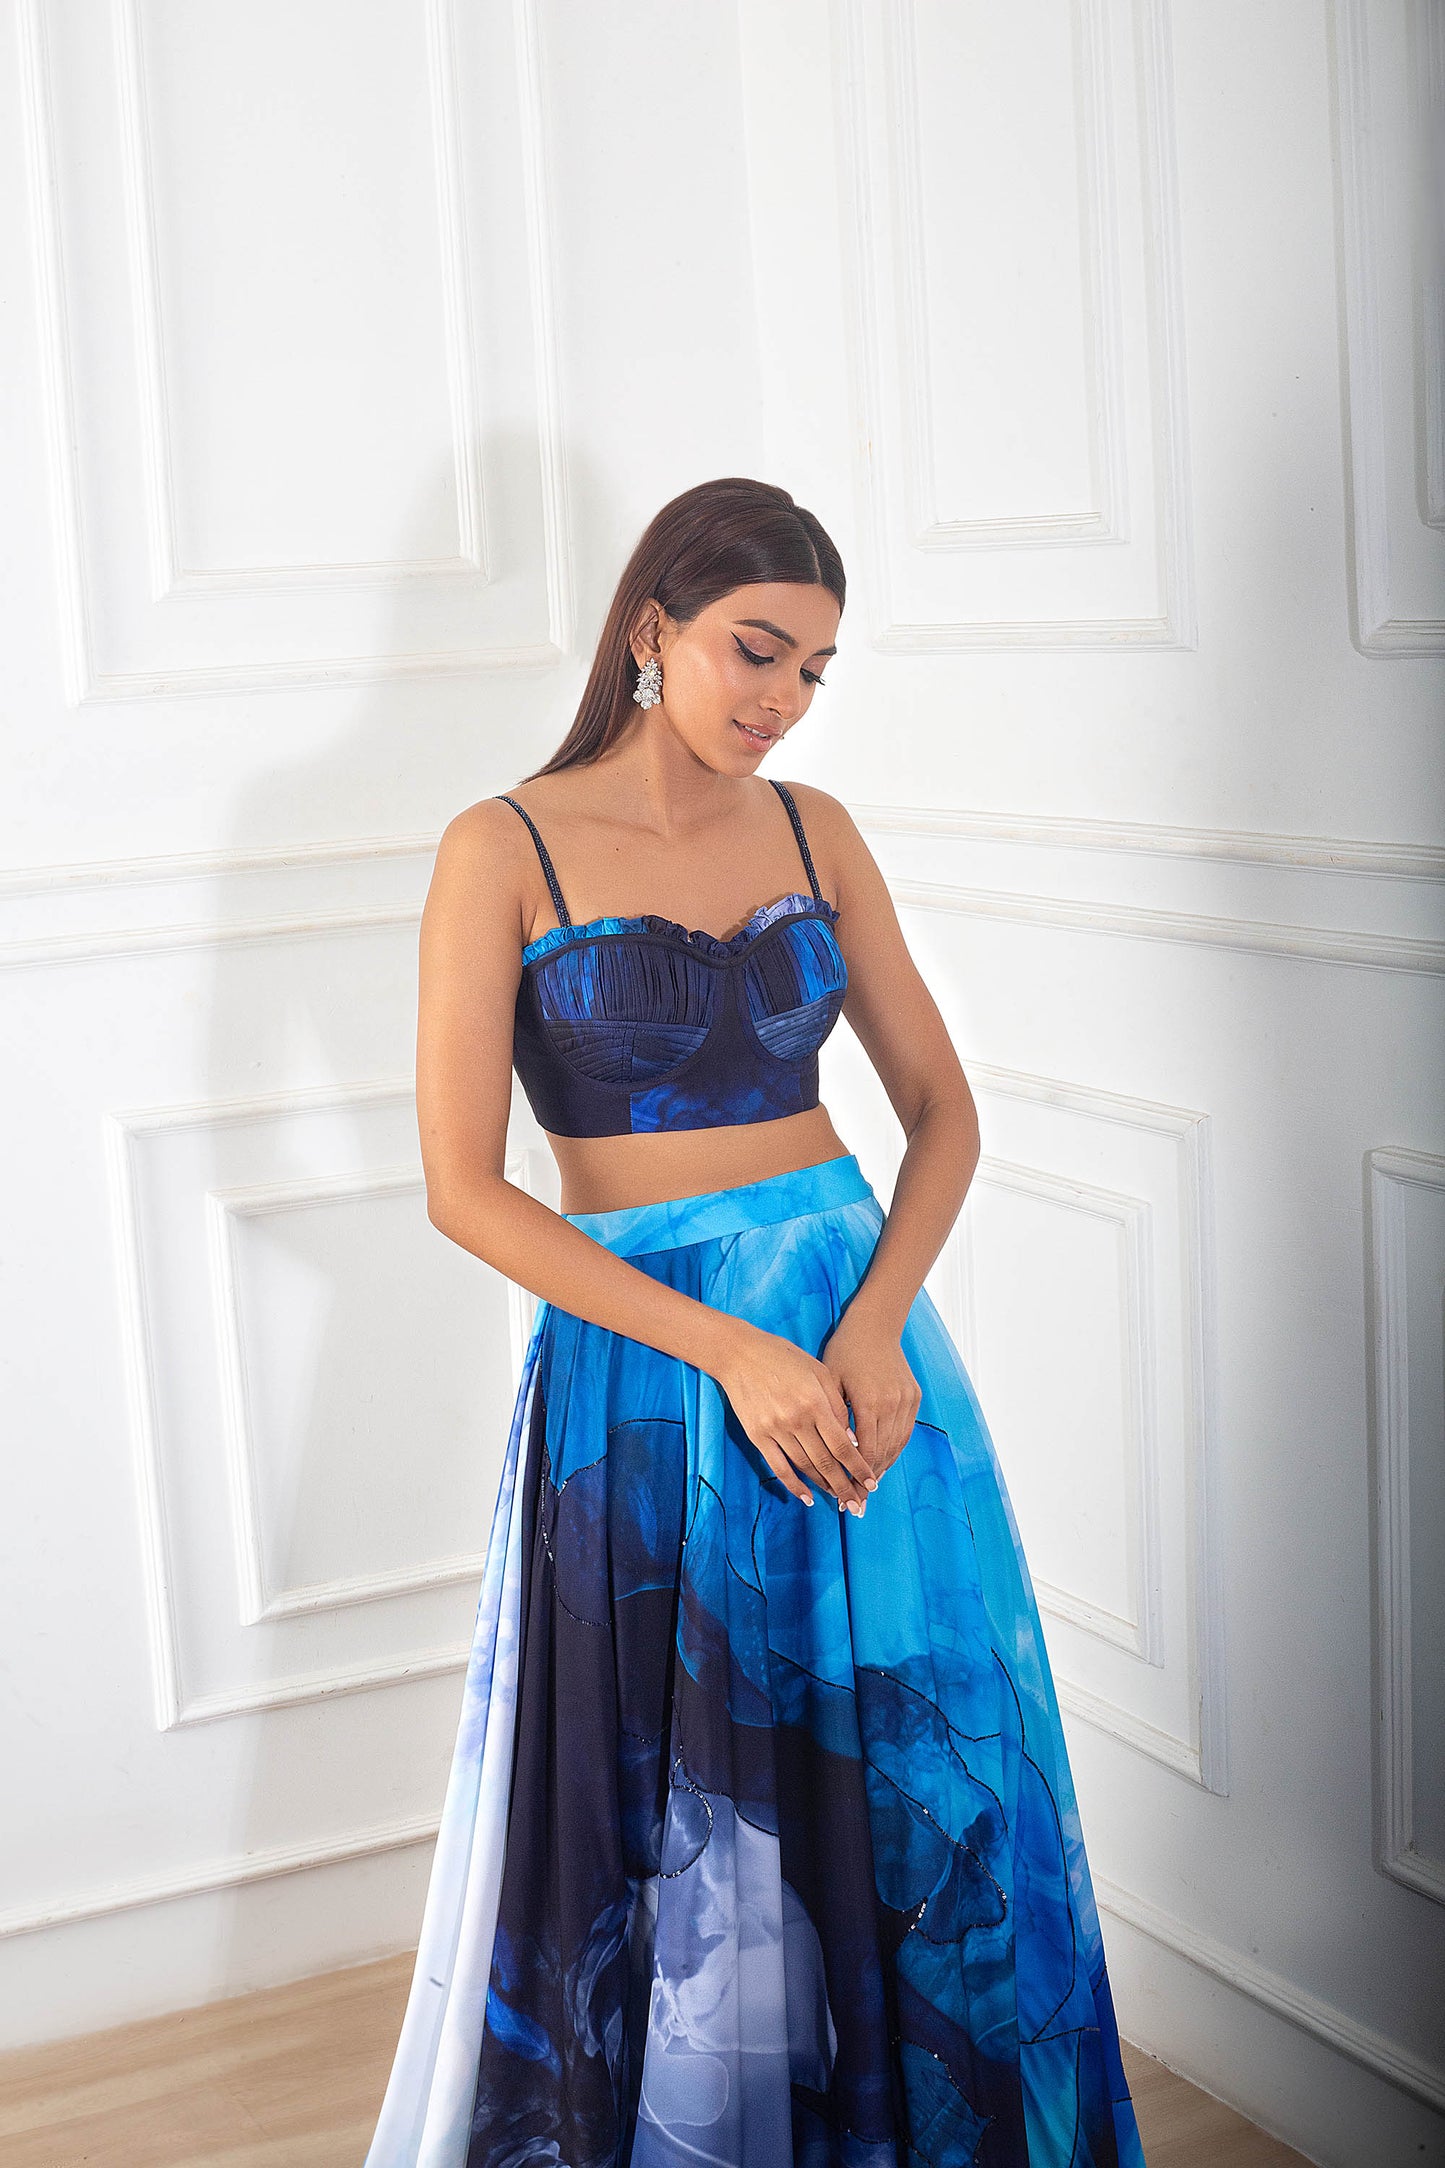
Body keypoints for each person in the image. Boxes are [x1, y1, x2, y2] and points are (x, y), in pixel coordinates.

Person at [364, 477, 1147, 2166]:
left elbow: (940, 1111)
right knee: (679, 1780)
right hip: (651, 1365)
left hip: (857, 1338)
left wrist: (872, 1331)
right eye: (756, 649)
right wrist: (729, 1348)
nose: (782, 696)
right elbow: (462, 1188)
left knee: (915, 1761)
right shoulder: (500, 846)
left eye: (813, 669)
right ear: (654, 628)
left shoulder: (815, 830)